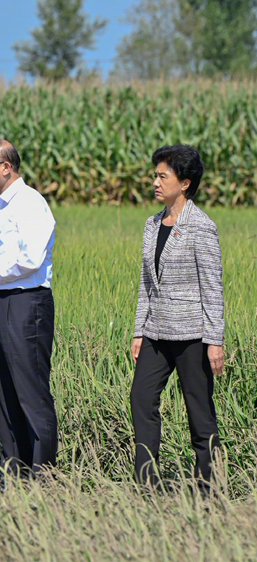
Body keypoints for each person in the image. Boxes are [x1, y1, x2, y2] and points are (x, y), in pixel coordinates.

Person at [130, 144, 224, 490]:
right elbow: (145, 283)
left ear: (184, 183)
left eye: (162, 176)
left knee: (199, 412)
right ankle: (146, 484)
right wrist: (139, 330)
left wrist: (215, 340)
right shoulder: (152, 224)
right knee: (141, 399)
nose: (155, 182)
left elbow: (212, 287)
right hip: (156, 332)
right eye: (155, 175)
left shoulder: (201, 227)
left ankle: (208, 487)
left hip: (192, 336)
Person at [0, 139, 58, 478]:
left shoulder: (29, 203)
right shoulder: (1, 207)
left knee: (30, 391)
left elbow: (29, 259)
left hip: (25, 304)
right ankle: (15, 472)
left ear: (6, 167)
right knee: (3, 392)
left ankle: (43, 474)